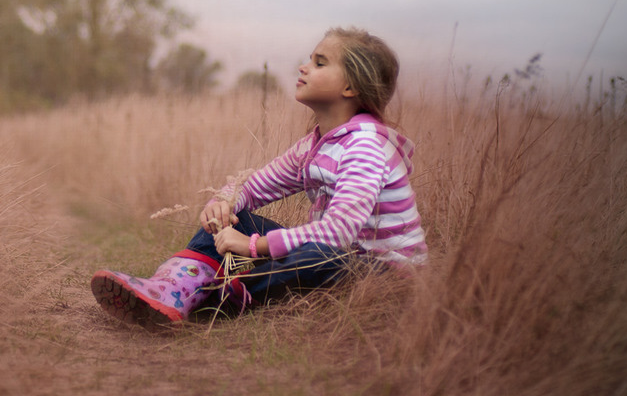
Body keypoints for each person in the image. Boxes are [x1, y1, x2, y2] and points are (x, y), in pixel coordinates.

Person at [91, 27, 428, 331]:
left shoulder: (366, 145)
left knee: (317, 256)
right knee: (244, 222)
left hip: (383, 276)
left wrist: (252, 246)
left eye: (320, 62)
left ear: (350, 86)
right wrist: (221, 205)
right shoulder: (314, 146)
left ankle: (212, 299)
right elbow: (251, 188)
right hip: (337, 256)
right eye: (310, 59)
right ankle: (168, 289)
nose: (304, 67)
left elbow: (337, 233)